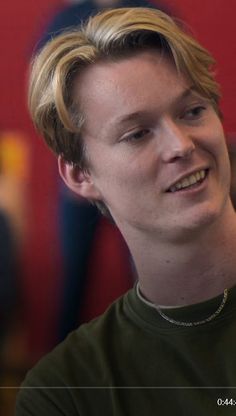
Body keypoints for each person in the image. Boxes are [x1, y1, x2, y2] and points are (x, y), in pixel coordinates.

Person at [16, 7, 236, 415]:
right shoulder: (67, 392)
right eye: (137, 133)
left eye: (192, 111)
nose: (181, 145)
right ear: (81, 176)